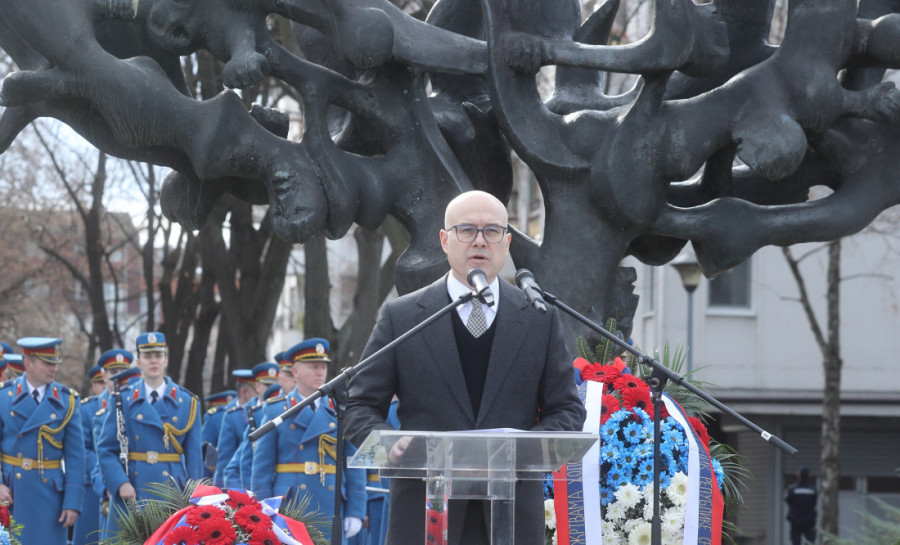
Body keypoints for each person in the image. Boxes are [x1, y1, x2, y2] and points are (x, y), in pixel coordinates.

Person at [345, 190, 586, 545]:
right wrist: (388, 442)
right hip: (425, 512)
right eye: (467, 230)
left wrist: (525, 448)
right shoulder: (404, 316)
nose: (480, 241)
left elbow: (566, 409)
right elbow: (360, 407)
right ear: (444, 240)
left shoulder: (538, 318)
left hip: (512, 513)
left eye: (492, 231)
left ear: (506, 242)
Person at [253, 338, 366, 542]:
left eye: (323, 366)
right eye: (313, 366)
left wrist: (356, 509)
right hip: (289, 503)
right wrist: (262, 507)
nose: (320, 371)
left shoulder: (339, 409)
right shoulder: (277, 409)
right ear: (295, 372)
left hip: (330, 504)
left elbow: (354, 461)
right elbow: (262, 466)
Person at [96, 332, 202, 533]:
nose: (153, 360)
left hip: (172, 491)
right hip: (134, 489)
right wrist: (120, 483)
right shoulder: (122, 399)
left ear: (166, 359)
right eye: (147, 356)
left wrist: (194, 497)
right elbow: (106, 449)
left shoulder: (188, 402)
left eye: (158, 355)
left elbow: (194, 458)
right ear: (138, 361)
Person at [0, 337, 85, 544]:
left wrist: (73, 502)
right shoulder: (3, 397)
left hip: (51, 498)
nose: (53, 369)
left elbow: (75, 457)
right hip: (12, 493)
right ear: (28, 363)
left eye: (55, 363)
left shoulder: (67, 401)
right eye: (47, 363)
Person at [785, 467, 817, 545]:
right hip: (809, 519)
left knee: (796, 540)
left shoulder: (793, 489)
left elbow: (789, 501)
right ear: (808, 476)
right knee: (809, 540)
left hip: (796, 519)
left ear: (799, 475)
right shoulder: (812, 490)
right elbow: (814, 502)